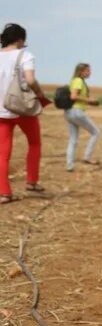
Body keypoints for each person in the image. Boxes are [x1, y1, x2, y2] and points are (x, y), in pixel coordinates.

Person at [0, 23, 50, 204]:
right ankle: (32, 182)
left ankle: (4, 193)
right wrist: (39, 93)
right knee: (34, 143)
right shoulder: (25, 55)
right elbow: (29, 79)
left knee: (2, 154)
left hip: (2, 111)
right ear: (20, 40)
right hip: (22, 109)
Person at [65, 62, 101, 171]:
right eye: (87, 71)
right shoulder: (78, 81)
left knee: (73, 139)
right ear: (81, 72)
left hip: (69, 112)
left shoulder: (76, 81)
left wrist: (89, 102)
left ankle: (70, 165)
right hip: (76, 112)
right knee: (96, 132)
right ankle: (87, 157)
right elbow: (74, 96)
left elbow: (77, 97)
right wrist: (90, 100)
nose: (90, 72)